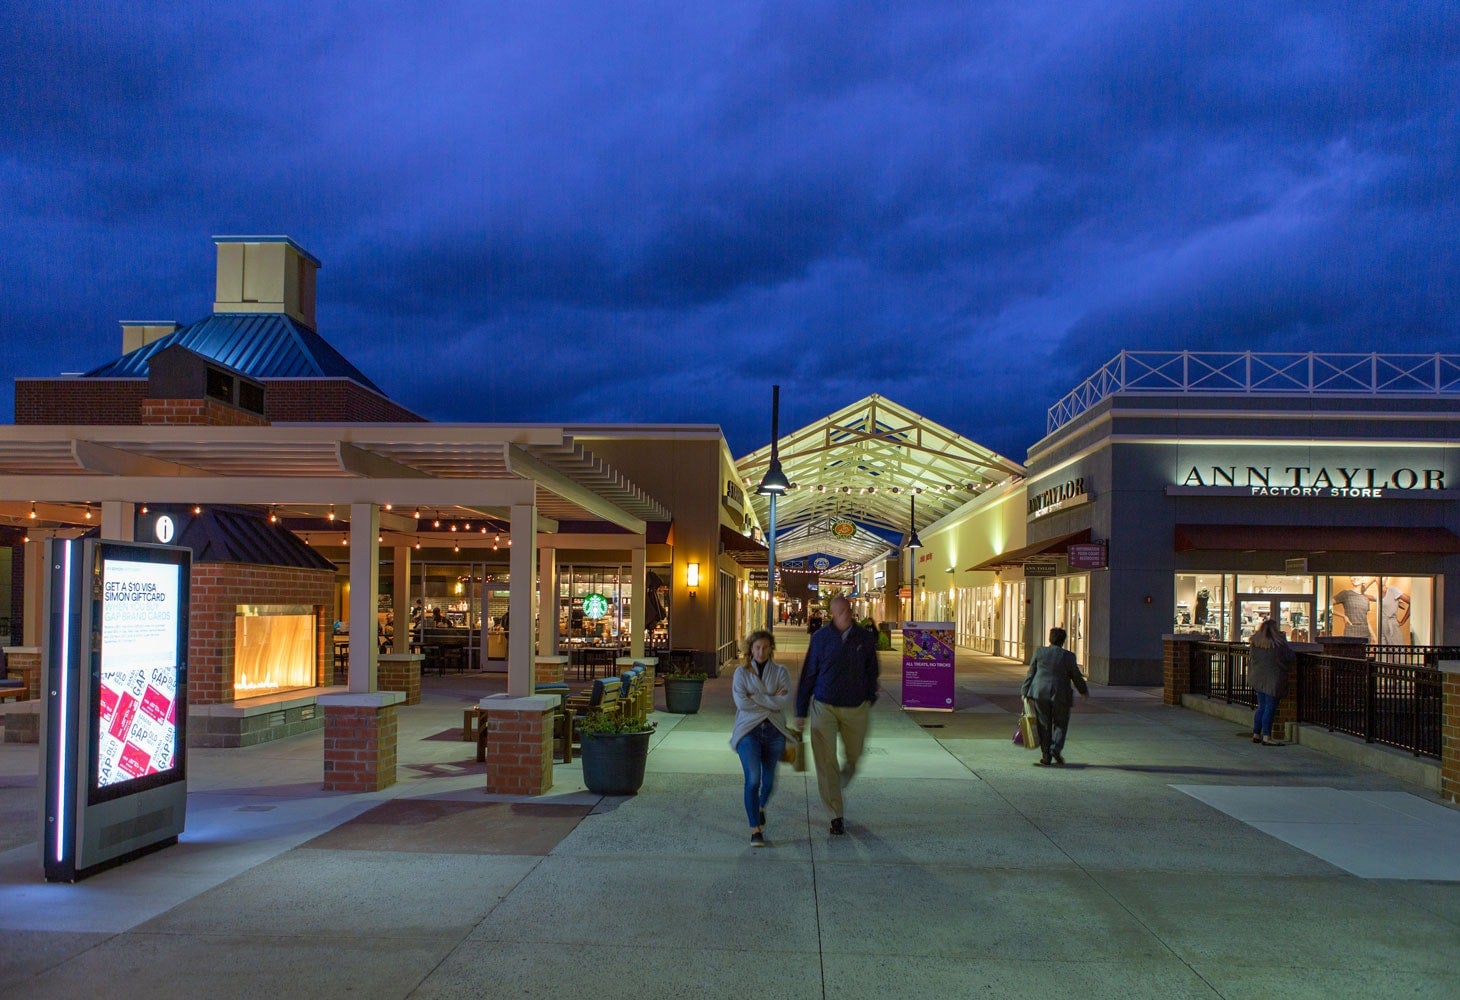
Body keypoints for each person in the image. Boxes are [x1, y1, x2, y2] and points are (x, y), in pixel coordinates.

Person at [795, 595, 880, 836]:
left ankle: (850, 768)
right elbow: (809, 674)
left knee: (854, 754)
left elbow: (873, 669)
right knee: (825, 762)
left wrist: (869, 696)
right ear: (832, 613)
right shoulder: (821, 638)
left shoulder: (863, 637)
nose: (846, 614)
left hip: (855, 707)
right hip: (825, 706)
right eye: (840, 611)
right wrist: (801, 711)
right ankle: (836, 815)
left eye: (848, 610)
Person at [729, 629, 794, 847]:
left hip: (774, 732)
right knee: (753, 779)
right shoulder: (741, 673)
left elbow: (783, 701)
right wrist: (770, 700)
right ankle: (755, 829)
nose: (761, 651)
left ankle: (760, 806)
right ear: (751, 649)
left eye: (765, 647)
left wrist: (756, 697)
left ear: (771, 648)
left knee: (768, 781)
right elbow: (742, 704)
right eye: (757, 647)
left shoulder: (780, 672)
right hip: (749, 732)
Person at [1020, 626, 1089, 766]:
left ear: (1050, 639)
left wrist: (1025, 691)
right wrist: (1083, 690)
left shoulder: (1040, 652)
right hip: (1061, 694)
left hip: (1040, 693)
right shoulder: (1068, 656)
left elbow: (1031, 672)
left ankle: (1046, 756)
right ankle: (1056, 748)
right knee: (1061, 724)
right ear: (1063, 640)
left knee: (1044, 724)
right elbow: (1076, 676)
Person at [1248, 618, 1295, 745]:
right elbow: (1290, 656)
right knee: (1270, 707)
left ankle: (1256, 733)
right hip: (1274, 678)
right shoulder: (1278, 644)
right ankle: (1267, 736)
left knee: (1261, 706)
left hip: (1258, 677)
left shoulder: (1255, 643)